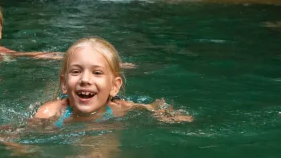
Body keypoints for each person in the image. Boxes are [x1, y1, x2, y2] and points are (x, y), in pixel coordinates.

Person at [33, 37, 193, 125]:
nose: (85, 79)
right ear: (64, 84)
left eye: (97, 72)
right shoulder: (51, 112)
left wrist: (168, 114)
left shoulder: (119, 108)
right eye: (76, 71)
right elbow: (21, 132)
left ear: (114, 86)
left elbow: (153, 107)